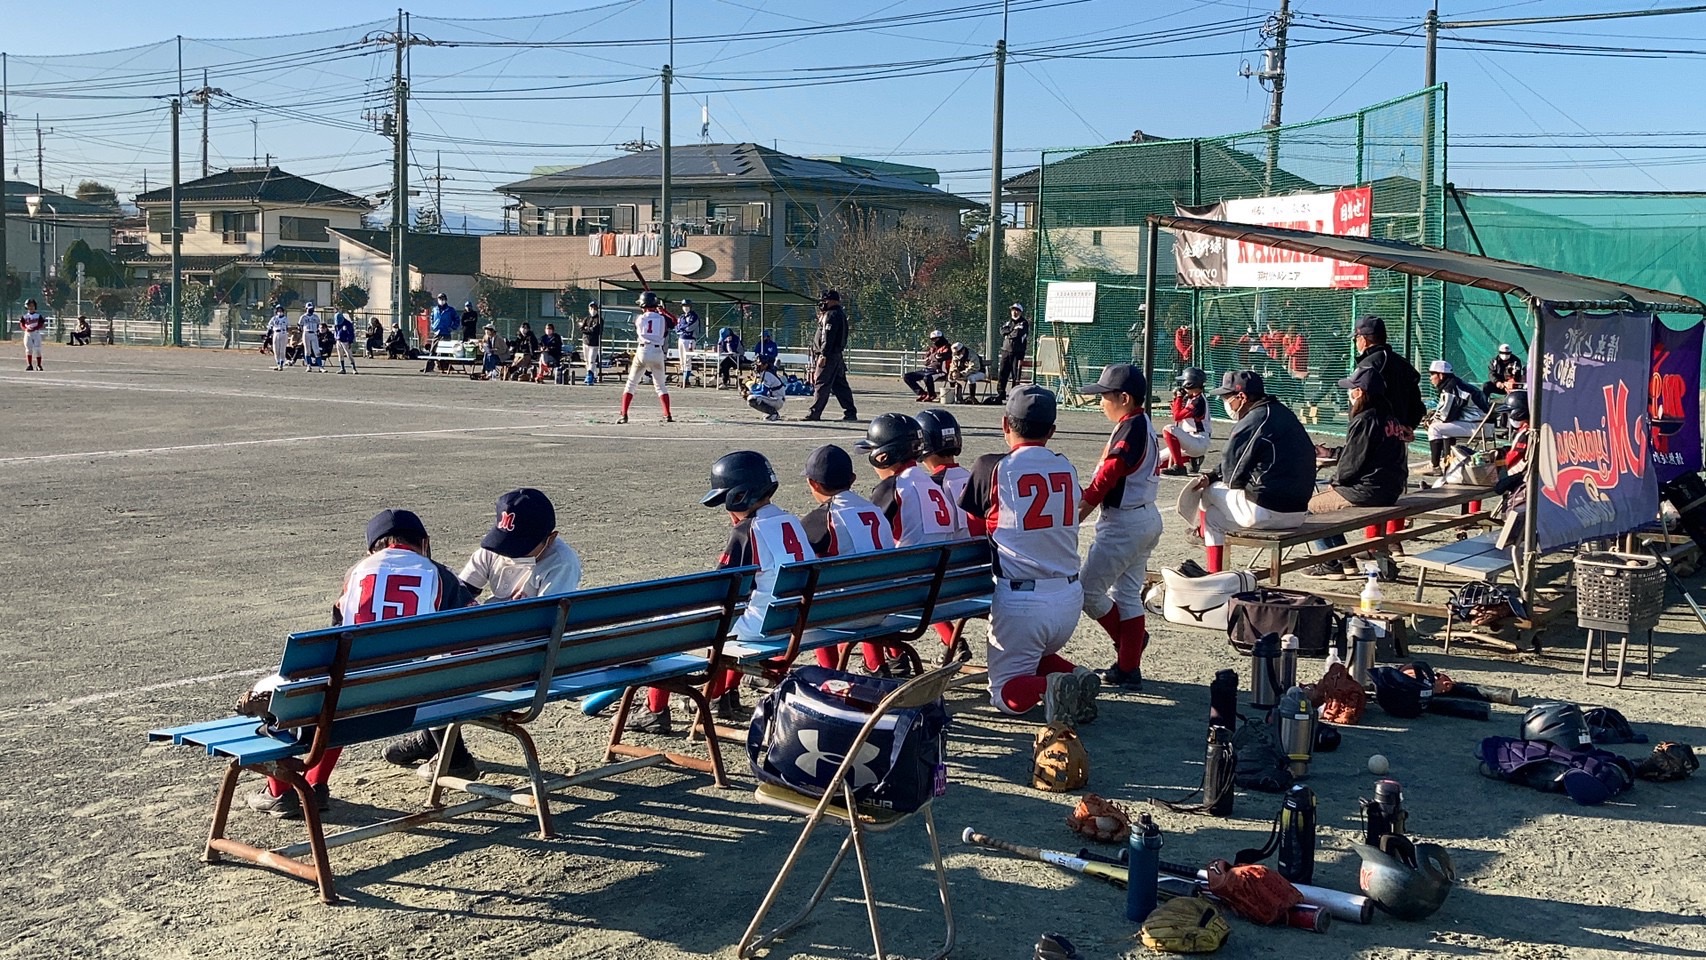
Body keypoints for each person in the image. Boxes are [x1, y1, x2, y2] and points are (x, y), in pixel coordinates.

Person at [243, 509, 475, 818]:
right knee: (340, 697)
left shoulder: (357, 572)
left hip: (352, 704)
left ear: (372, 548)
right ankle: (314, 784)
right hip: (409, 705)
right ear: (423, 543)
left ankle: (281, 791)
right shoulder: (439, 574)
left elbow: (337, 638)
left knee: (291, 698)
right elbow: (473, 633)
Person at [381, 489, 582, 777]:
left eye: (521, 545)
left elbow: (545, 629)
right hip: (495, 644)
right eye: (506, 541)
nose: (509, 552)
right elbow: (458, 596)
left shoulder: (561, 562)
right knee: (435, 653)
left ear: (550, 538)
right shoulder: (494, 549)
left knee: (433, 670)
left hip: (527, 660)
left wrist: (501, 620)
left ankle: (455, 758)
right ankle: (435, 739)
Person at [629, 452, 811, 734]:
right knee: (740, 612)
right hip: (793, 623)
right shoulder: (791, 521)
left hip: (761, 629)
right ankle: (722, 695)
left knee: (667, 624)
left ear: (739, 497)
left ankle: (654, 710)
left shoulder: (747, 530)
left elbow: (721, 591)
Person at [958, 386, 1100, 725]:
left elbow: (975, 528)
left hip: (1023, 602)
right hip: (1069, 599)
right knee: (1033, 652)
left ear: (1005, 423)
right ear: (1051, 430)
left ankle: (1052, 684)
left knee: (1005, 696)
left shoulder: (992, 466)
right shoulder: (1066, 466)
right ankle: (1074, 676)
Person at [1074, 364, 1164, 691]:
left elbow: (1106, 478)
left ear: (1124, 398)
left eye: (1105, 396)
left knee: (1087, 592)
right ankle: (1128, 665)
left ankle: (1129, 643)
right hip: (1143, 517)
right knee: (1126, 595)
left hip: (1125, 523)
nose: (1101, 402)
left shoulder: (1132, 427)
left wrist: (1078, 515)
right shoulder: (1139, 423)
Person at [1185, 371, 1314, 573]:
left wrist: (1212, 479)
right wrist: (1212, 474)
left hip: (1266, 511)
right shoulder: (1282, 413)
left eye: (1227, 397)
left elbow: (1232, 477)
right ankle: (1215, 572)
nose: (1225, 402)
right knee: (1213, 517)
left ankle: (1200, 534)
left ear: (1242, 396)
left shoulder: (1254, 420)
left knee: (1206, 491)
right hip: (1298, 513)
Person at [1304, 366, 1411, 577]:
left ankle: (1333, 563)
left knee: (1306, 507)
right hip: (1390, 489)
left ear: (1360, 392)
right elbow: (1365, 452)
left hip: (1368, 491)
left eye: (1352, 388)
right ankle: (1345, 561)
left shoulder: (1365, 419)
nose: (1349, 393)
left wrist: (1336, 482)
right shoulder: (1390, 417)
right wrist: (1332, 452)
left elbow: (1351, 465)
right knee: (1326, 504)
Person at [799, 444, 896, 673]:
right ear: (852, 479)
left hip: (845, 613)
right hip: (885, 607)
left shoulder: (821, 517)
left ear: (813, 483)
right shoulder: (874, 510)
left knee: (812, 597)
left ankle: (830, 672)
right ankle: (876, 665)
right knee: (862, 584)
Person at [917, 407, 975, 662]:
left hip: (948, 579)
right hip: (981, 574)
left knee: (919, 578)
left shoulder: (930, 486)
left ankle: (951, 640)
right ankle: (952, 641)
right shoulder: (974, 477)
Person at [1352, 315, 1426, 436]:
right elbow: (1416, 402)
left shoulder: (1367, 365)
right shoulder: (1403, 363)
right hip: (1399, 433)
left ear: (1364, 339)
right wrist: (1408, 426)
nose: (1355, 343)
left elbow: (1360, 403)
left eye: (1355, 338)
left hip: (1372, 433)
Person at [803, 290, 858, 422]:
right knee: (840, 385)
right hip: (836, 355)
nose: (823, 303)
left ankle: (815, 413)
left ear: (832, 301)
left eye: (825, 301)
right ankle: (850, 412)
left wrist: (823, 355)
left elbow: (827, 337)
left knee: (821, 384)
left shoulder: (831, 315)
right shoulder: (840, 314)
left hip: (829, 355)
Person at [1425, 359, 1488, 473]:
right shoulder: (1455, 384)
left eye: (1432, 374)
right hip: (1480, 424)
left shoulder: (1450, 388)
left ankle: (1435, 467)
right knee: (1443, 428)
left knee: (1434, 428)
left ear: (1441, 375)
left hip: (1479, 426)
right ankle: (1447, 463)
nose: (1430, 378)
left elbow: (1446, 416)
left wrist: (1431, 421)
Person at [620, 291, 674, 424]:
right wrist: (663, 311)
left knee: (631, 384)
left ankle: (624, 414)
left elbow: (646, 321)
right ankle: (667, 414)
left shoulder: (639, 319)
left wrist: (657, 311)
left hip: (643, 350)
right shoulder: (662, 318)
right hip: (657, 351)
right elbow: (673, 323)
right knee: (660, 386)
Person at [1158, 366, 1211, 476]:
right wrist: (1177, 400)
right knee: (1156, 462)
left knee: (1168, 429)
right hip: (1188, 440)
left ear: (1190, 383)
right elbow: (1176, 413)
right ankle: (1192, 458)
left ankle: (1180, 466)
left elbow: (1177, 417)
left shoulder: (1198, 401)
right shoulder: (1191, 398)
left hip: (1198, 440)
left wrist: (1178, 397)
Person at [903, 330, 952, 402]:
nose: (934, 341)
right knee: (907, 376)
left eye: (936, 339)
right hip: (927, 370)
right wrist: (928, 358)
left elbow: (941, 357)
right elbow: (926, 359)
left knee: (927, 377)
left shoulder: (947, 347)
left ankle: (931, 395)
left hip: (940, 371)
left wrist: (932, 357)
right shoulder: (933, 348)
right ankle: (922, 393)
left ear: (941, 338)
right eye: (932, 339)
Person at [998, 303, 1030, 398]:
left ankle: (1014, 394)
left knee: (1016, 374)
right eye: (1013, 310)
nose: (1014, 312)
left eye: (1017, 310)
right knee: (1003, 372)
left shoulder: (1024, 323)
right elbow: (1002, 331)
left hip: (1017, 352)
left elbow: (1017, 334)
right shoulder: (1008, 322)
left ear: (1020, 312)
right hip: (1006, 351)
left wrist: (1008, 333)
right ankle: (1001, 393)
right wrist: (1010, 330)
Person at [424, 294, 460, 373]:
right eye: (440, 299)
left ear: (446, 300)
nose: (441, 300)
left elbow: (457, 320)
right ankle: (429, 367)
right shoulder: (435, 309)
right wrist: (433, 326)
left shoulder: (450, 310)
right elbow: (432, 318)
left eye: (443, 299)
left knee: (445, 351)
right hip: (437, 332)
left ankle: (444, 367)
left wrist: (452, 328)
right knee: (432, 350)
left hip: (446, 332)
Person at [745, 355, 787, 420]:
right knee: (752, 396)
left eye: (759, 362)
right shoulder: (765, 372)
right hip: (775, 398)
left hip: (777, 400)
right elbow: (761, 389)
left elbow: (764, 392)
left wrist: (751, 393)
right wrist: (750, 391)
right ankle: (772, 413)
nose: (757, 364)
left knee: (751, 399)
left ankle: (773, 413)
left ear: (765, 365)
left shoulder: (767, 374)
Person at [674, 298, 701, 386]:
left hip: (690, 340)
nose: (685, 308)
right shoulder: (682, 316)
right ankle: (685, 379)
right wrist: (682, 328)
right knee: (682, 360)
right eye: (684, 306)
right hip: (681, 339)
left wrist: (682, 328)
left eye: (687, 306)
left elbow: (690, 327)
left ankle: (685, 380)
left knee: (687, 360)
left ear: (690, 307)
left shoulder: (694, 316)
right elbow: (677, 328)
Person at [19, 299, 46, 370]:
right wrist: (25, 328)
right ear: (26, 307)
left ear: (35, 306)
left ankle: (39, 365)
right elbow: (22, 324)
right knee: (28, 349)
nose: (31, 307)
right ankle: (29, 365)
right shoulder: (25, 316)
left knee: (38, 349)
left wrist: (35, 328)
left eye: (32, 306)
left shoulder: (38, 316)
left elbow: (41, 324)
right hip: (28, 334)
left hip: (36, 333)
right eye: (29, 306)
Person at [580, 303, 603, 386]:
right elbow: (581, 328)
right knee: (586, 360)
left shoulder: (599, 319)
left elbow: (595, 330)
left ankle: (590, 376)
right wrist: (587, 329)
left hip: (594, 343)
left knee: (591, 360)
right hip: (585, 342)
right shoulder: (587, 318)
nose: (593, 310)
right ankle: (590, 374)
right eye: (591, 308)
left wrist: (587, 328)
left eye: (594, 308)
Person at [298, 302, 323, 372]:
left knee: (316, 350)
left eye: (312, 309)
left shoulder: (316, 317)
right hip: (306, 333)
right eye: (309, 309)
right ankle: (308, 366)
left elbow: (318, 325)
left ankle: (320, 366)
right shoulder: (303, 317)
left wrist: (317, 331)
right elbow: (300, 325)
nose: (311, 310)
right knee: (307, 350)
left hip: (314, 333)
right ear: (306, 309)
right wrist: (302, 331)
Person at [333, 310, 359, 374]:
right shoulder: (336, 324)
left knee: (349, 355)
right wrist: (336, 338)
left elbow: (351, 333)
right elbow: (336, 331)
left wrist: (350, 341)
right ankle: (342, 368)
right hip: (339, 340)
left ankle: (354, 369)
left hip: (346, 341)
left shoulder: (348, 324)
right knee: (340, 355)